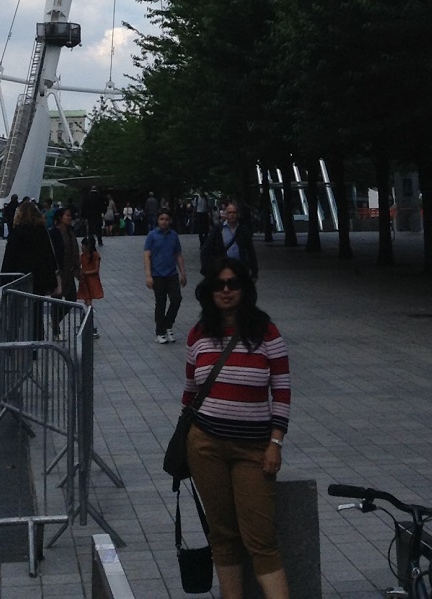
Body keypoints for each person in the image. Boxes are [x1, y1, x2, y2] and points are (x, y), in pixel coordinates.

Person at [183, 257, 291, 599]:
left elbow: (283, 390)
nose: (226, 291)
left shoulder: (266, 332)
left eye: (233, 284)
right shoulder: (198, 334)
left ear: (244, 289)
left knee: (261, 539)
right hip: (205, 446)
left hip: (253, 449)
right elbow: (189, 392)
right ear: (209, 292)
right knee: (223, 536)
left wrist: (276, 442)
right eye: (219, 285)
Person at [144, 207, 187, 343]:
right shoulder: (152, 236)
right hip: (157, 274)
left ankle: (168, 324)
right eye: (162, 219)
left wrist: (183, 273)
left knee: (176, 299)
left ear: (170, 221)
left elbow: (178, 254)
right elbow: (147, 255)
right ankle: (160, 331)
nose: (164, 222)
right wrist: (148, 276)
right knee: (160, 303)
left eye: (167, 219)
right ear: (158, 220)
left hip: (172, 274)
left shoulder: (174, 235)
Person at [0, 200, 58, 294]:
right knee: (37, 304)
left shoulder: (17, 232)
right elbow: (48, 253)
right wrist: (52, 279)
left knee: (20, 304)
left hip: (21, 276)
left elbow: (10, 257)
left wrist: (3, 280)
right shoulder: (42, 230)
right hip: (40, 276)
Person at [200, 198, 258, 280]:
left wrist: (254, 272)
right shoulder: (218, 230)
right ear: (225, 214)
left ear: (238, 214)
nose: (232, 215)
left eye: (234, 213)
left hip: (240, 270)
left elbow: (250, 251)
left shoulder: (243, 230)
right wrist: (208, 270)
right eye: (229, 213)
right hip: (222, 270)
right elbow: (205, 250)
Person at [49, 205, 81, 330]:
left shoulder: (70, 231)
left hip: (69, 271)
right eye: (67, 215)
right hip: (58, 272)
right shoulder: (54, 232)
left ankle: (55, 321)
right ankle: (56, 328)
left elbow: (75, 250)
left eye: (69, 215)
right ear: (60, 217)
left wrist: (77, 268)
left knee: (72, 298)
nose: (69, 218)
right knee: (56, 299)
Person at [77, 234, 104, 336]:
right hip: (85, 282)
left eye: (83, 245)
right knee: (87, 303)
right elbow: (77, 266)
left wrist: (84, 272)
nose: (81, 247)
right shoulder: (82, 256)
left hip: (91, 281)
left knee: (88, 304)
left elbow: (96, 270)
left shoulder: (95, 256)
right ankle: (87, 325)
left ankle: (87, 325)